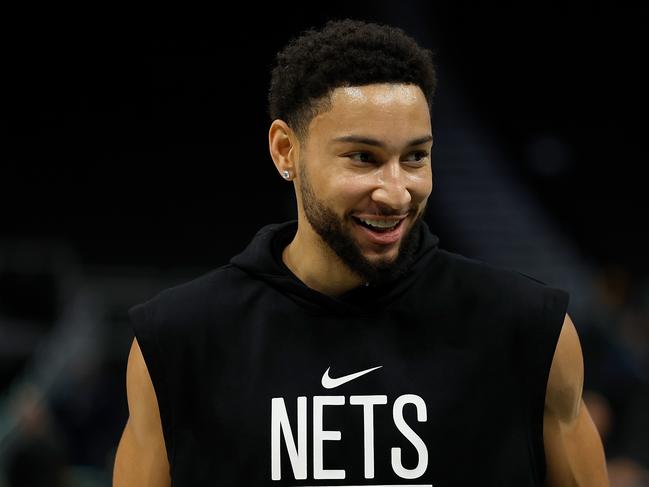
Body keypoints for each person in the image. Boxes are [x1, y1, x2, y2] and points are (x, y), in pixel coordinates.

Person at [112, 19, 609, 486]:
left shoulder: (527, 329)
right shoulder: (180, 340)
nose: (396, 193)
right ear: (286, 151)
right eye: (363, 158)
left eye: (415, 156)